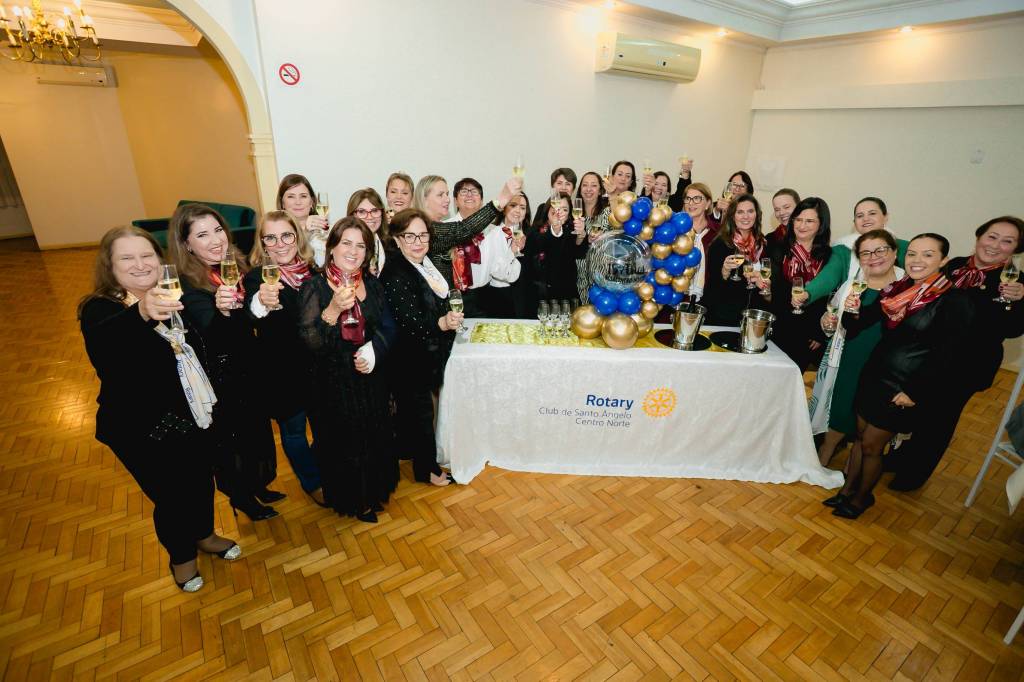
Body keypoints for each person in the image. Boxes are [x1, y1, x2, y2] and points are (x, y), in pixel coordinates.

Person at [80, 226, 239, 593]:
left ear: (159, 259)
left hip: (190, 415)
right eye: (127, 258)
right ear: (110, 266)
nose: (139, 264)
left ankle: (204, 535)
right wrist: (142, 312)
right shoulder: (100, 309)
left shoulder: (173, 295)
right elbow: (106, 350)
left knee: (200, 482)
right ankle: (182, 557)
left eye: (146, 255)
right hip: (141, 428)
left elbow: (203, 348)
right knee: (172, 498)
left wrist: (222, 314)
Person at [827, 233, 973, 519]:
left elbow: (948, 356)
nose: (917, 260)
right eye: (913, 254)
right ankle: (846, 491)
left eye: (928, 255)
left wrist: (915, 391)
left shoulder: (954, 301)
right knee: (860, 438)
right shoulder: (898, 289)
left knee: (872, 445)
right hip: (875, 374)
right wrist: (853, 311)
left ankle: (862, 498)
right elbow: (858, 325)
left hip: (903, 386)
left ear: (943, 260)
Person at [885, 216, 1024, 491]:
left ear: (1016, 249)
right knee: (914, 410)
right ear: (979, 236)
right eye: (991, 236)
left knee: (939, 420)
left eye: (1007, 241)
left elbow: (1013, 329)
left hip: (966, 365)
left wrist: (1014, 302)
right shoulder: (955, 265)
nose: (995, 245)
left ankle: (914, 474)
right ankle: (899, 457)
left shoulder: (1015, 284)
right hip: (929, 355)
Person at [167, 203, 281, 522]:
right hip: (222, 375)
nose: (216, 240)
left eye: (218, 230)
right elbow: (212, 333)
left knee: (257, 432)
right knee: (234, 441)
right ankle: (242, 497)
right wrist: (222, 310)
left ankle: (259, 484)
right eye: (203, 235)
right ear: (187, 244)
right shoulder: (188, 283)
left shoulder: (233, 266)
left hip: (248, 365)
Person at [297, 217, 398, 522]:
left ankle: (374, 491)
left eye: (361, 246)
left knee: (374, 437)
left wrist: (374, 351)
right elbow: (310, 342)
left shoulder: (373, 284)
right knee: (345, 444)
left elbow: (387, 326)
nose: (353, 251)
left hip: (370, 378)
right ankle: (355, 499)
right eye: (346, 243)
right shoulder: (314, 287)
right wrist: (333, 310)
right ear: (331, 248)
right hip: (333, 384)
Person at [243, 211, 325, 508]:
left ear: (297, 236)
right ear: (262, 243)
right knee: (294, 433)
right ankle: (312, 482)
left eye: (286, 235)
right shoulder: (258, 278)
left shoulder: (313, 271)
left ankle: (325, 469)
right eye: (271, 238)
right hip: (282, 374)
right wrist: (262, 301)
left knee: (324, 427)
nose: (280, 244)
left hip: (319, 369)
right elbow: (251, 311)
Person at [379, 209, 462, 486]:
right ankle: (427, 470)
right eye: (410, 236)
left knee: (417, 412)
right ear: (397, 239)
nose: (417, 242)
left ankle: (414, 455)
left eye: (423, 235)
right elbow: (409, 321)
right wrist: (442, 322)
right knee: (421, 414)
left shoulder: (423, 262)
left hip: (425, 352)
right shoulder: (395, 272)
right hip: (408, 356)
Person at [810, 230, 903, 467]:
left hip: (885, 366)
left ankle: (853, 467)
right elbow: (831, 315)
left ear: (894, 253)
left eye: (880, 250)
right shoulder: (854, 284)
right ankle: (825, 453)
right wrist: (827, 323)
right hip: (850, 358)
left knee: (870, 419)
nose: (874, 257)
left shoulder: (906, 286)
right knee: (842, 407)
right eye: (866, 253)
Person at [411, 173, 521, 286]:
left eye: (447, 194)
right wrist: (501, 200)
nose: (447, 199)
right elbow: (463, 229)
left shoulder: (495, 231)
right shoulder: (427, 229)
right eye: (440, 195)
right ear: (424, 200)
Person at [799, 197, 909, 305]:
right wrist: (808, 293)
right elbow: (828, 277)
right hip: (851, 310)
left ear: (885, 217)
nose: (866, 219)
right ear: (854, 222)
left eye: (872, 213)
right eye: (860, 216)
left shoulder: (905, 247)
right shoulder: (843, 249)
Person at [765, 197, 833, 371]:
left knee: (793, 379)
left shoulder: (828, 256)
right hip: (778, 326)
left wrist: (819, 333)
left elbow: (827, 297)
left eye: (809, 221)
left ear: (821, 224)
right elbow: (774, 290)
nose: (802, 225)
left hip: (807, 334)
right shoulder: (779, 248)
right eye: (799, 219)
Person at [702, 194, 768, 326]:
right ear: (732, 216)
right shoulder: (720, 243)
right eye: (740, 212)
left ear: (757, 214)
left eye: (750, 211)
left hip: (752, 319)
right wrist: (724, 272)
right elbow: (712, 287)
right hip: (723, 318)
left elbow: (766, 285)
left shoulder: (762, 243)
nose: (746, 216)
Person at [524, 192, 586, 301]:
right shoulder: (535, 231)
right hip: (540, 294)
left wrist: (581, 235)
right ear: (548, 209)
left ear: (569, 214)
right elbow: (537, 248)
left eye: (565, 209)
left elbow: (579, 252)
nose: (559, 212)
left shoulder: (571, 231)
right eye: (556, 207)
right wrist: (555, 230)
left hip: (567, 293)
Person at [680, 182, 721, 302]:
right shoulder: (676, 229)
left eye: (697, 198)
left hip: (708, 298)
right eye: (688, 198)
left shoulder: (718, 232)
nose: (691, 203)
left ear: (708, 203)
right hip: (677, 295)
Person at [277, 174, 329, 266]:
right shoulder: (276, 233)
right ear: (282, 203)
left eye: (303, 196)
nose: (298, 202)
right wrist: (306, 233)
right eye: (291, 196)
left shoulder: (326, 232)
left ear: (312, 202)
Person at [346, 188, 390, 276]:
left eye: (375, 211)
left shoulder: (390, 245)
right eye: (362, 211)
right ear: (352, 215)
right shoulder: (344, 247)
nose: (370, 217)